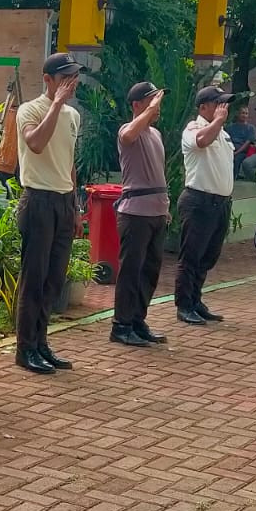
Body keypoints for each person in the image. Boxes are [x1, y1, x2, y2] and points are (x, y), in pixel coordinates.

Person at [15, 53, 82, 374]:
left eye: (74, 77)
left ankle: (42, 342)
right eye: (65, 77)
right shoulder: (31, 109)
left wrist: (76, 205)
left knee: (54, 279)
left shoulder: (73, 116)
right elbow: (36, 144)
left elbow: (68, 161)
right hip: (38, 200)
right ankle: (25, 348)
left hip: (63, 201)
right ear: (48, 79)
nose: (71, 83)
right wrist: (55, 104)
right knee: (35, 278)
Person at [111, 81, 169, 347]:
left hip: (157, 211)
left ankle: (137, 320)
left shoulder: (155, 135)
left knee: (150, 270)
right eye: (151, 100)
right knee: (131, 271)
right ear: (136, 105)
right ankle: (121, 325)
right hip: (135, 213)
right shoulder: (128, 130)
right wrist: (148, 113)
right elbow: (128, 136)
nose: (157, 105)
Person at [175, 86, 236, 325]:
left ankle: (196, 300)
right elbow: (201, 141)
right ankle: (184, 305)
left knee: (208, 256)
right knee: (191, 256)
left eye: (224, 104)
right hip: (199, 201)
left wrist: (219, 123)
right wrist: (218, 122)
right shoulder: (195, 128)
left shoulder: (221, 132)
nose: (224, 108)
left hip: (219, 204)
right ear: (203, 107)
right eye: (218, 103)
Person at [224, 110, 256, 179]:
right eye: (242, 113)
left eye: (246, 113)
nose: (244, 115)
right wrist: (229, 150)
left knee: (236, 159)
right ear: (238, 114)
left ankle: (233, 178)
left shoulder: (251, 128)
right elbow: (226, 139)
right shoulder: (230, 127)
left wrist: (236, 152)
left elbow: (247, 143)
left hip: (242, 151)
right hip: (229, 149)